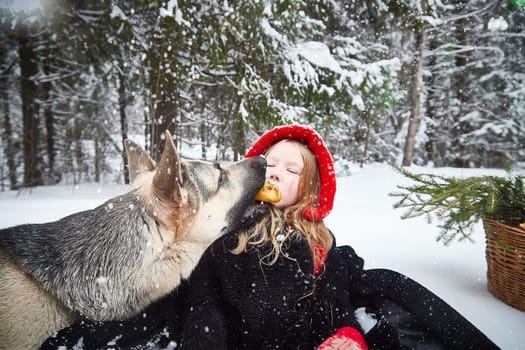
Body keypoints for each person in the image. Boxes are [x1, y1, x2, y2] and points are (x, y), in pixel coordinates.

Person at [41, 124, 500, 350]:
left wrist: (344, 333)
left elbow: (332, 299)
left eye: (291, 168)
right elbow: (206, 300)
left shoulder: (322, 243)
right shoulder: (227, 231)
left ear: (310, 187)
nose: (275, 172)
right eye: (269, 163)